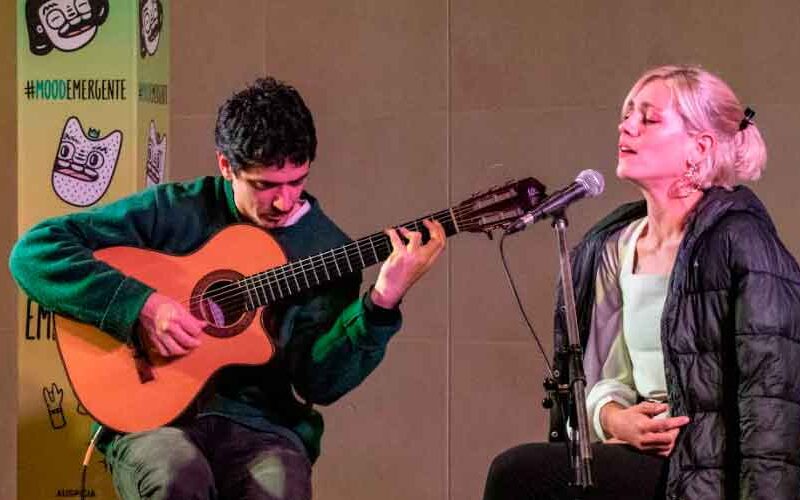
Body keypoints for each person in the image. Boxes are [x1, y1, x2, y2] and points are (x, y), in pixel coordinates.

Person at [9, 76, 446, 500]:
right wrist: (142, 306)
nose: (284, 201)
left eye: (297, 181)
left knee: (279, 489)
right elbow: (34, 251)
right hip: (153, 418)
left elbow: (321, 383)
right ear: (225, 166)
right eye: (265, 185)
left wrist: (381, 304)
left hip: (262, 424)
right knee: (176, 476)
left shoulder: (328, 249)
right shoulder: (175, 209)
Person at [483, 65, 800, 500]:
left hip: (712, 471)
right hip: (647, 457)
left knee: (516, 474)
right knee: (523, 473)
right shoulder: (613, 247)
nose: (626, 126)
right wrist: (616, 420)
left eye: (648, 119)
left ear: (699, 147)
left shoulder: (743, 241)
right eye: (627, 114)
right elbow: (608, 376)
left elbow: (773, 405)